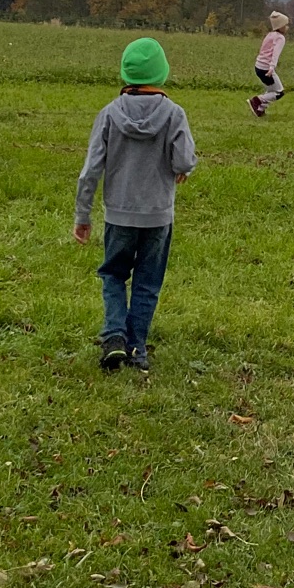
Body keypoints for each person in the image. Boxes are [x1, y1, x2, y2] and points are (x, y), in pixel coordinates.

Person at [74, 37, 198, 373]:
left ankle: (114, 334)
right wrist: (183, 169)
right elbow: (184, 160)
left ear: (125, 73)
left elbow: (90, 171)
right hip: (158, 216)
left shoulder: (109, 114)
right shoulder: (174, 114)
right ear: (162, 72)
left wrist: (83, 215)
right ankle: (136, 347)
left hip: (118, 216)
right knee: (147, 281)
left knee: (113, 274)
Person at [248, 11, 290, 117]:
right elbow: (275, 53)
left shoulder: (270, 35)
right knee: (279, 92)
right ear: (280, 26)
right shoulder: (280, 38)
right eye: (285, 25)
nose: (287, 27)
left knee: (271, 90)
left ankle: (260, 109)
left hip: (258, 67)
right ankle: (256, 101)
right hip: (266, 69)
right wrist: (272, 67)